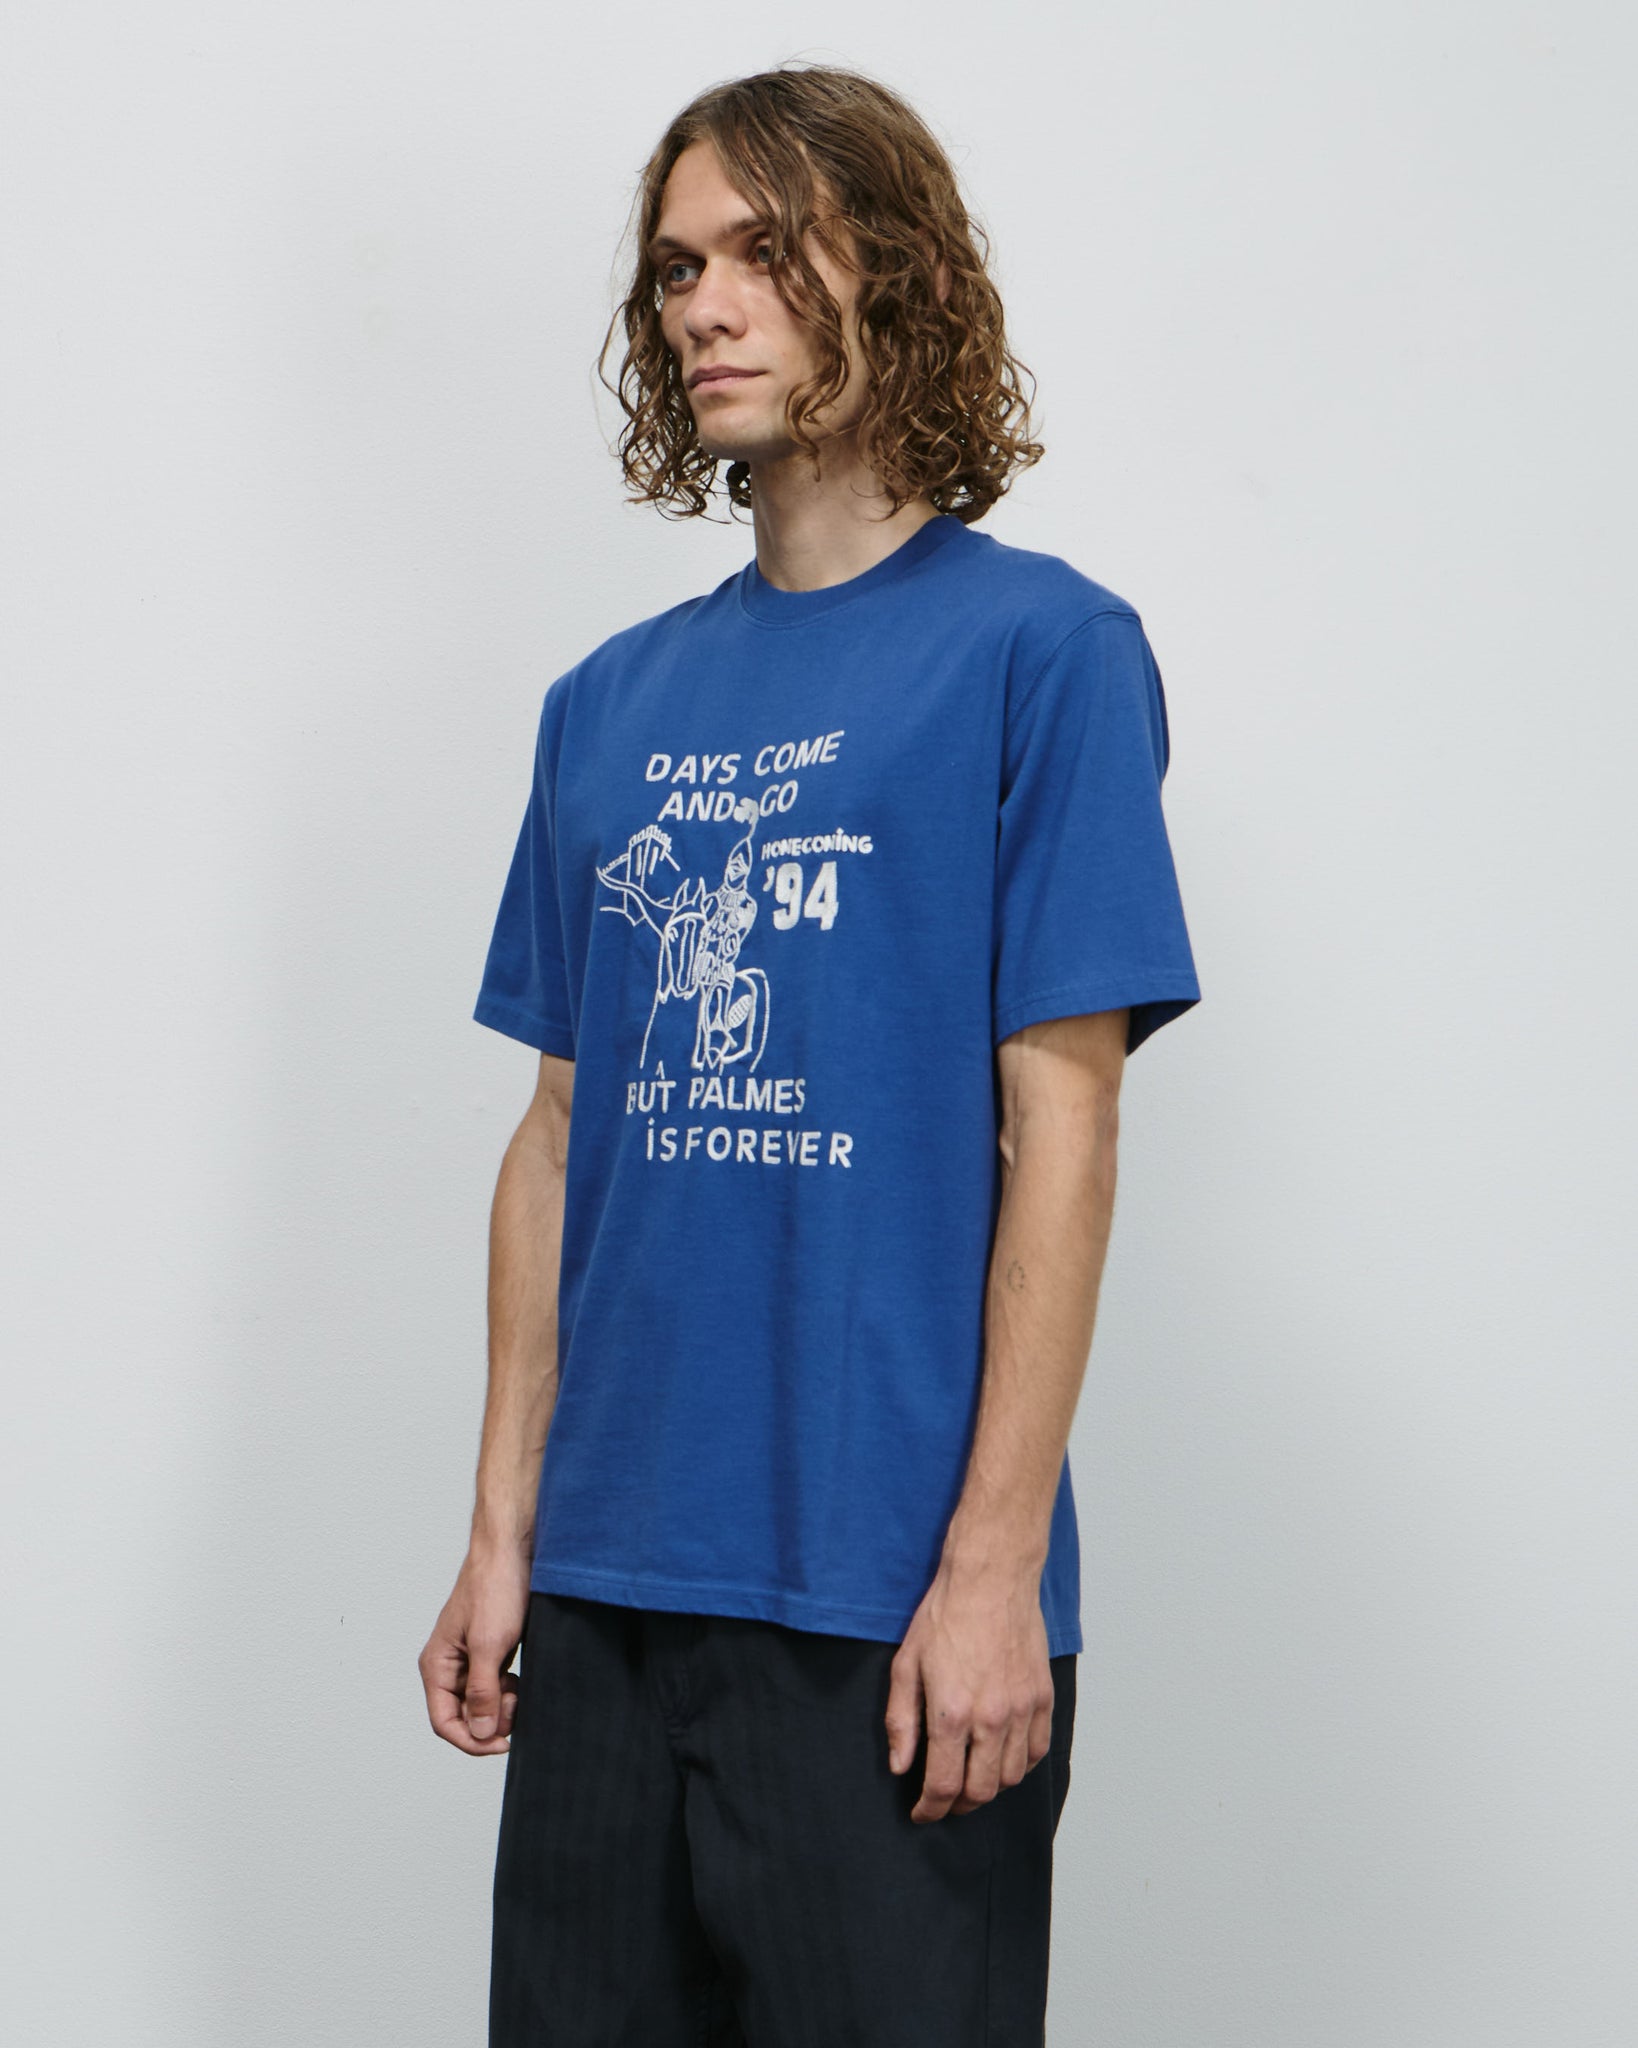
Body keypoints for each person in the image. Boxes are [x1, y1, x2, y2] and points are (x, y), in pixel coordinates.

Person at [417, 60, 1201, 2047]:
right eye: (678, 267)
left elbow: (1065, 1127)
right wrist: (502, 1537)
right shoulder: (605, 704)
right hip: (605, 1591)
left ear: (897, 273)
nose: (705, 304)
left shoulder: (1042, 653)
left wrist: (994, 1569)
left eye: (764, 251)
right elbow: (557, 1137)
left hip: (883, 1603)